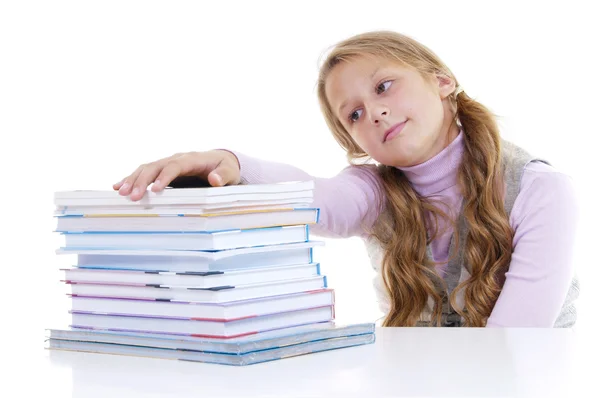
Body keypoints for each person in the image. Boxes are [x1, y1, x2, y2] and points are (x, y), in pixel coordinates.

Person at [113, 31, 579, 328]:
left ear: (441, 80)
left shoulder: (538, 189)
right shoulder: (375, 192)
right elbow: (319, 199)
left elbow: (518, 338)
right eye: (353, 114)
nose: (374, 111)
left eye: (384, 86)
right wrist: (229, 163)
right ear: (357, 144)